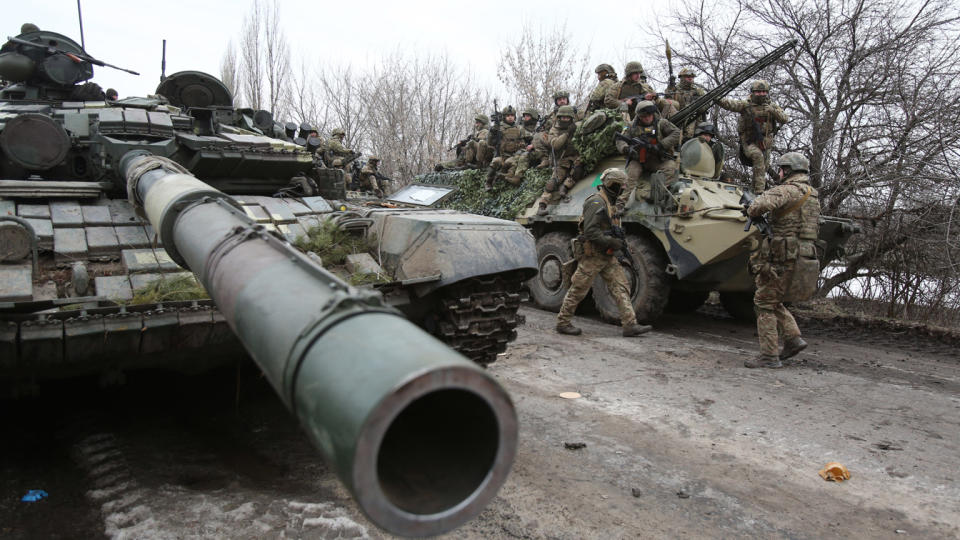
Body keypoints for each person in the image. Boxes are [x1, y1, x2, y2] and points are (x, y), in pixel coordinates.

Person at [744, 152, 820, 368]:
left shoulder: (787, 190)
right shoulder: (812, 194)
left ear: (787, 171)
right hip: (803, 255)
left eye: (780, 169)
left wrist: (754, 205)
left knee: (763, 302)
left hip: (783, 256)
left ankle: (769, 355)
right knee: (772, 298)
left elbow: (756, 207)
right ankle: (793, 338)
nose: (778, 173)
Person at [556, 168, 652, 337]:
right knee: (578, 289)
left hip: (607, 256)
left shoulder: (609, 203)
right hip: (592, 255)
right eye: (620, 186)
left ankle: (630, 324)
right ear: (611, 184)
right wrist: (611, 241)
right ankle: (563, 323)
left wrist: (618, 243)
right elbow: (590, 231)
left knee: (621, 287)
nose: (623, 189)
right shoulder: (596, 202)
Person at [717, 80, 789, 193]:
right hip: (749, 142)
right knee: (758, 156)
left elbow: (784, 118)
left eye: (763, 92)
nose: (761, 94)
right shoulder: (746, 105)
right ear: (753, 92)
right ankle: (760, 192)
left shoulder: (771, 106)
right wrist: (716, 97)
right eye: (758, 92)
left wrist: (773, 111)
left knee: (762, 167)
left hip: (765, 144)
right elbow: (729, 104)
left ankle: (754, 191)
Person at [613, 100, 681, 213]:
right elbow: (620, 139)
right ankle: (621, 203)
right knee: (631, 176)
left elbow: (676, 133)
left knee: (671, 168)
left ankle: (657, 194)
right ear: (639, 116)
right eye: (644, 116)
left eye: (649, 115)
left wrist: (661, 145)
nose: (648, 118)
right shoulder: (631, 126)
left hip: (657, 159)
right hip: (639, 159)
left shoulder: (661, 123)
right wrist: (627, 149)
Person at [535, 105, 583, 215]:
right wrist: (567, 134)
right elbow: (555, 145)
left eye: (568, 118)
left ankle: (564, 188)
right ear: (559, 118)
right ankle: (542, 205)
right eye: (563, 118)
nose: (565, 120)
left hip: (575, 157)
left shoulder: (576, 126)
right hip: (561, 159)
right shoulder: (554, 129)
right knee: (553, 182)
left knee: (578, 170)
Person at [486, 105, 529, 189]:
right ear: (504, 117)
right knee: (495, 162)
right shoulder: (499, 128)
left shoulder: (519, 128)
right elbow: (490, 143)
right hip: (502, 155)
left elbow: (524, 141)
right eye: (508, 116)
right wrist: (492, 133)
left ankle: (505, 177)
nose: (510, 117)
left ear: (515, 117)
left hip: (514, 155)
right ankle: (488, 182)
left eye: (512, 116)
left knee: (512, 163)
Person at [672, 68, 707, 138]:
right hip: (679, 120)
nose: (690, 79)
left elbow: (707, 103)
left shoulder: (698, 91)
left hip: (697, 118)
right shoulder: (675, 90)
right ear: (682, 78)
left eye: (692, 77)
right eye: (688, 77)